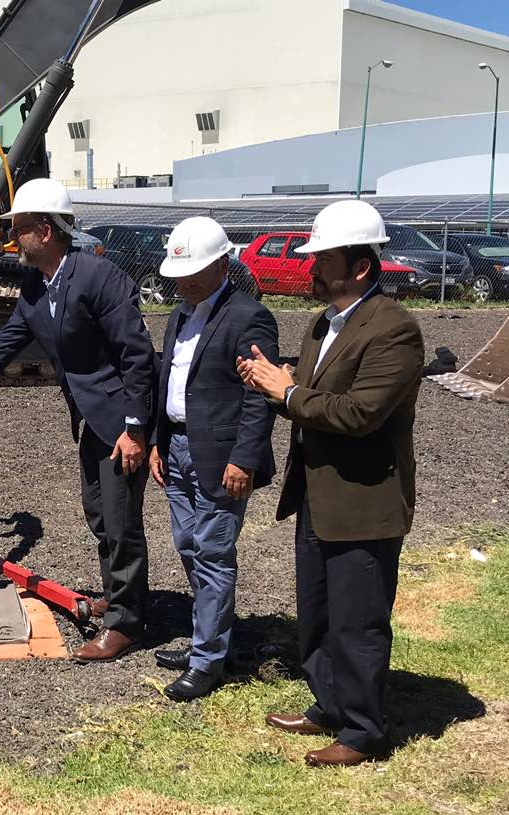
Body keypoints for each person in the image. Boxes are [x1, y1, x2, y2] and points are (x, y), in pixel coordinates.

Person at [0, 178, 157, 661]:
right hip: (91, 419)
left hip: (120, 421)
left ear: (47, 232)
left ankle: (127, 624)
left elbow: (137, 356)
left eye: (19, 230)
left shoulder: (101, 278)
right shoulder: (36, 285)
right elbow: (4, 345)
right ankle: (118, 598)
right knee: (99, 512)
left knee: (120, 521)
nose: (13, 241)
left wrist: (136, 429)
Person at [237, 198, 423, 767]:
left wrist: (286, 392)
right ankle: (328, 704)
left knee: (358, 619)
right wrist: (288, 384)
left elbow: (359, 413)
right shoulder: (326, 323)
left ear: (359, 266)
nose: (310, 269)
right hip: (319, 494)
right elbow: (319, 399)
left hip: (363, 500)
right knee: (316, 611)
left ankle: (364, 729)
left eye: (322, 259)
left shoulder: (395, 331)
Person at [149, 216, 278, 701]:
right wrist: (161, 441)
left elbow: (259, 395)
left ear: (223, 264)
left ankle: (208, 661)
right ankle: (209, 639)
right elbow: (171, 382)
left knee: (213, 553)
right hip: (178, 448)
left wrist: (244, 459)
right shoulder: (179, 314)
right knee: (188, 546)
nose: (183, 282)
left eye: (194, 273)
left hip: (223, 459)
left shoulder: (249, 317)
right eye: (179, 275)